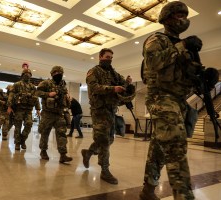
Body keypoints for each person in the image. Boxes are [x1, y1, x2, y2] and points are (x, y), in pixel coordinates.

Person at [139, 2, 203, 200]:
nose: (183, 18)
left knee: (159, 147)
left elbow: (184, 78)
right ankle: (184, 196)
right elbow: (154, 62)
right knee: (176, 146)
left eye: (185, 14)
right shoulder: (156, 39)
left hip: (179, 101)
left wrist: (204, 80)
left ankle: (148, 190)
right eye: (178, 14)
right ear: (166, 18)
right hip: (161, 98)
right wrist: (182, 45)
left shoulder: (183, 47)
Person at [81, 48, 135, 185]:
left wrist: (127, 83)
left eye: (111, 57)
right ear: (100, 57)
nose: (109, 59)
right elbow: (94, 88)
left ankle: (88, 152)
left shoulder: (113, 73)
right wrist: (112, 89)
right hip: (99, 111)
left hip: (111, 110)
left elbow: (121, 84)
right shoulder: (93, 71)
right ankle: (105, 170)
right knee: (104, 141)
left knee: (109, 139)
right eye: (107, 57)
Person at [36, 66, 73, 164]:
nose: (58, 74)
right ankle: (43, 151)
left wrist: (67, 98)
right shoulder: (46, 83)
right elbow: (37, 92)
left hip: (59, 113)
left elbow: (65, 96)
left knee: (61, 134)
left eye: (60, 72)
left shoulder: (63, 85)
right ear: (52, 73)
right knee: (45, 133)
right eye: (56, 72)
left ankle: (63, 155)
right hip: (48, 114)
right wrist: (48, 94)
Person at [7, 69, 40, 150]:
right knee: (18, 127)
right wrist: (9, 106)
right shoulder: (17, 84)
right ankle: (17, 143)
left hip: (28, 110)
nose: (27, 75)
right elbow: (11, 95)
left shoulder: (32, 87)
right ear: (22, 75)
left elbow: (36, 98)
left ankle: (22, 140)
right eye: (25, 73)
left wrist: (38, 109)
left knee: (29, 124)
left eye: (29, 73)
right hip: (19, 109)